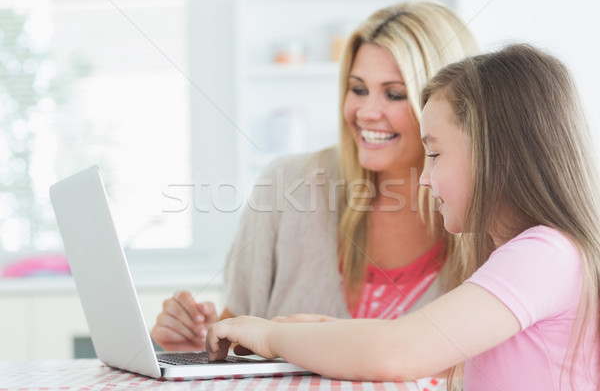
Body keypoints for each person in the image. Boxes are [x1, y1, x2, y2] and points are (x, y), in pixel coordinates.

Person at [205, 44, 600, 390]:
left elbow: (396, 350)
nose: (424, 179)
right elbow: (417, 341)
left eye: (435, 154)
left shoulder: (545, 256)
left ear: (496, 155)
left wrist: (272, 336)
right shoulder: (540, 255)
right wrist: (324, 334)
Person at [152, 1, 478, 352]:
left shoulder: (484, 221)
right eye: (358, 89)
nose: (367, 112)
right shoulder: (286, 186)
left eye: (394, 94)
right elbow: (231, 341)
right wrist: (194, 343)